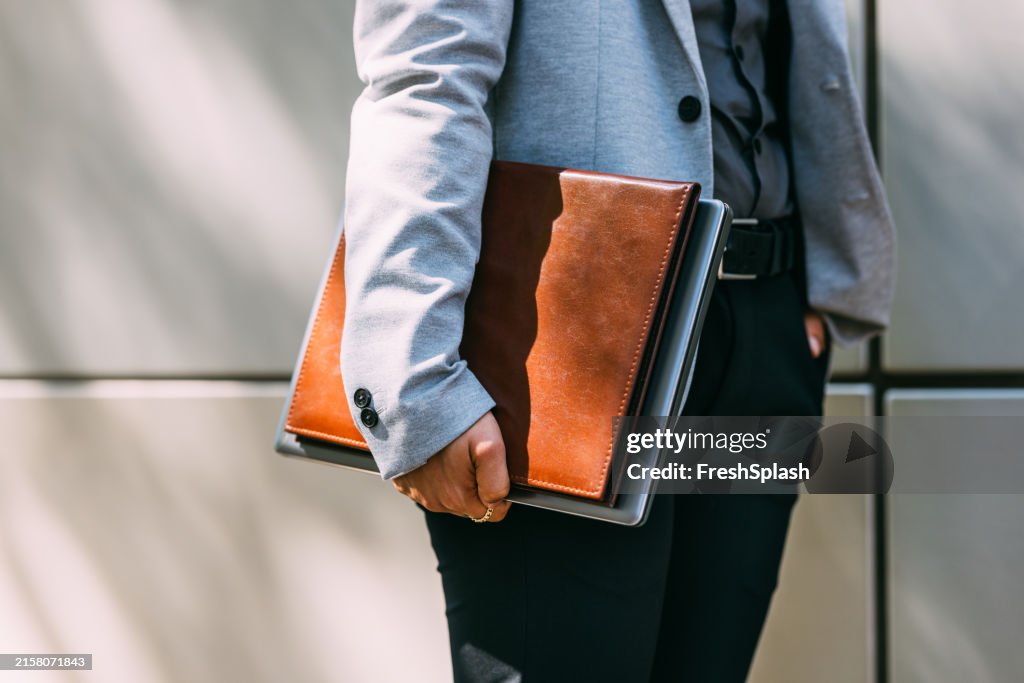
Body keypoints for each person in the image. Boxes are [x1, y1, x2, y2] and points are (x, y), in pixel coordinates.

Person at [339, 0, 894, 680]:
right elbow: (426, 75)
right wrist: (414, 379)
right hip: (573, 351)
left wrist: (807, 288)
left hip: (764, 332)